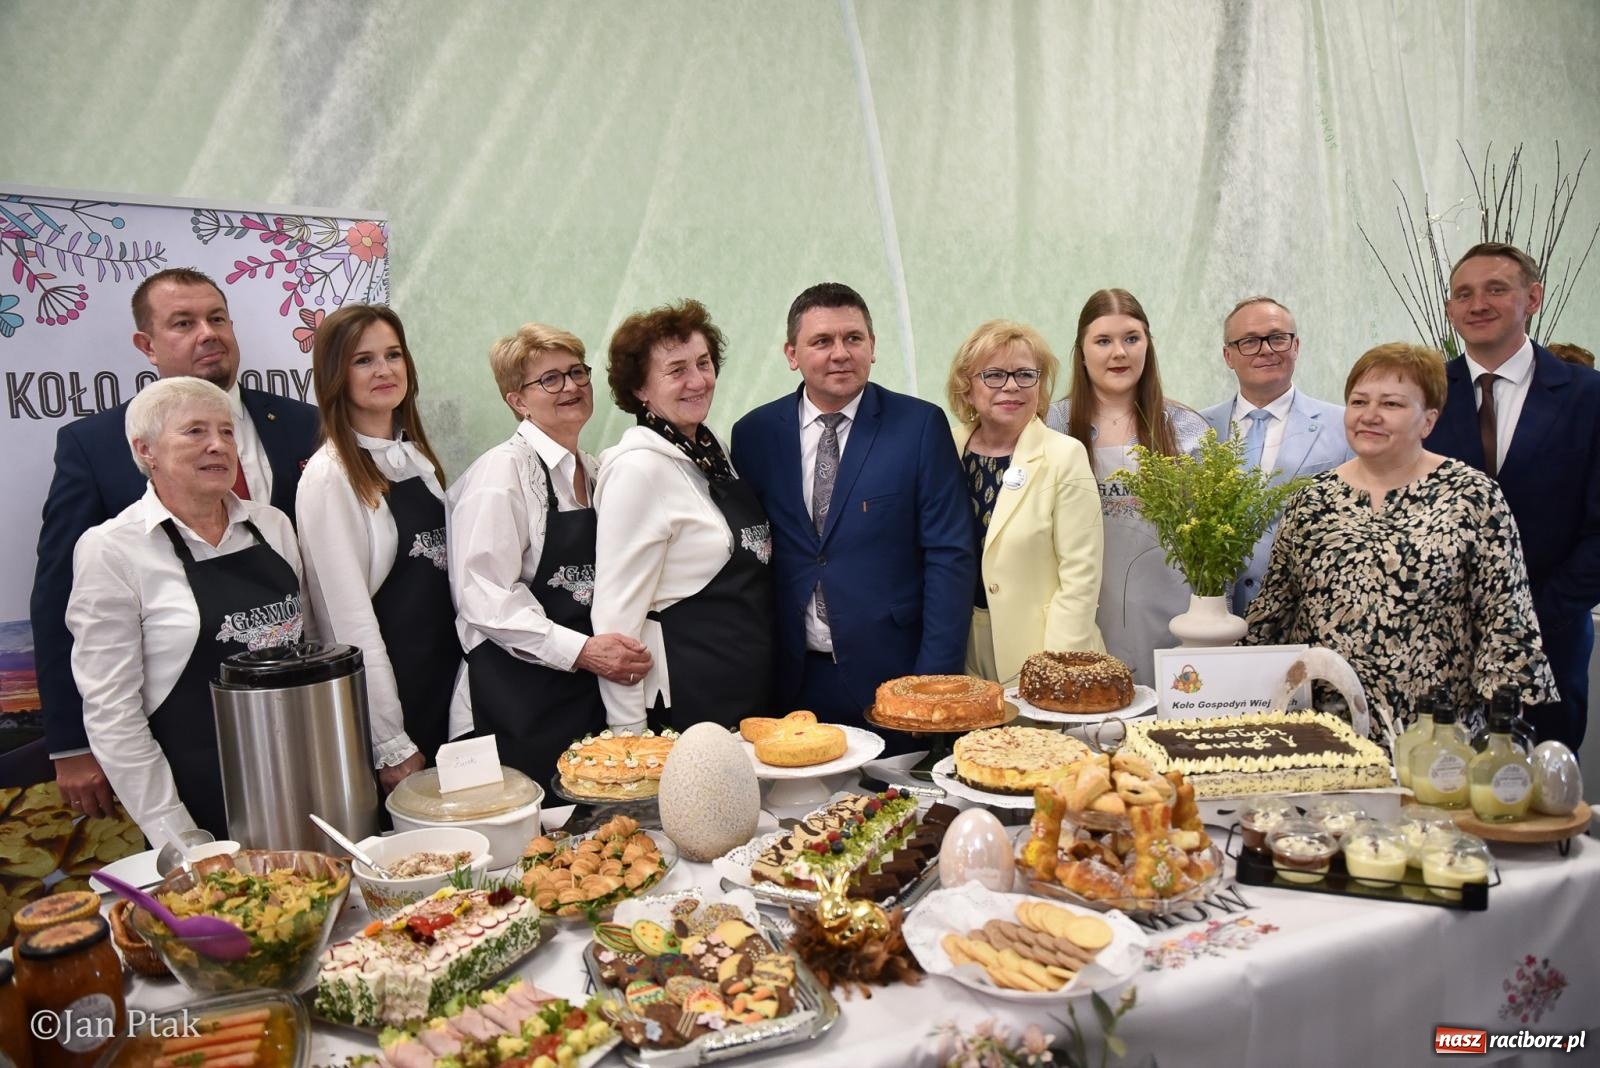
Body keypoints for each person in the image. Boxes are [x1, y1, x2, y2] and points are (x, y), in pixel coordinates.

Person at [32, 267, 318, 820]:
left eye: (217, 318)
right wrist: (70, 742)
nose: (207, 334)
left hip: (294, 739)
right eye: (183, 323)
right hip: (185, 751)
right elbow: (57, 599)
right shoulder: (94, 446)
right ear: (147, 344)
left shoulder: (303, 423)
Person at [1248, 342, 1557, 736]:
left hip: (1437, 733)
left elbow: (1506, 621)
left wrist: (1503, 733)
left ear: (1428, 421)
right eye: (1359, 402)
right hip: (1324, 732)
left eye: (1391, 404)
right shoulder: (1312, 500)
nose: (1370, 416)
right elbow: (1272, 613)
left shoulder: (1473, 497)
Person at [65, 377, 306, 839]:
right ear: (146, 450)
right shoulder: (112, 549)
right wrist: (178, 835)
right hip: (196, 798)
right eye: (196, 431)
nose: (218, 445)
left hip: (299, 774)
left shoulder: (273, 525)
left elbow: (309, 648)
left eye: (227, 431)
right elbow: (112, 711)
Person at [731, 283, 975, 733]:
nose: (840, 353)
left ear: (873, 346)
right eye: (822, 341)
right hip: (788, 681)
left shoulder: (919, 427)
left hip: (895, 677)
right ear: (791, 354)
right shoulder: (754, 435)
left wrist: (933, 682)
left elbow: (950, 555)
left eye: (853, 338)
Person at [448, 324, 649, 780]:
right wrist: (583, 651)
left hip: (580, 698)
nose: (571, 387)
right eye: (550, 379)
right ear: (517, 401)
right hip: (512, 703)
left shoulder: (595, 471)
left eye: (577, 372)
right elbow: (484, 597)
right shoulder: (502, 473)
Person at [1426, 242, 1600, 751]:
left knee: (1540, 786)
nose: (1478, 304)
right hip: (1440, 646)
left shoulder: (1589, 397)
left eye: (1496, 289)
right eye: (1463, 294)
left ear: (1533, 298)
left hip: (1551, 637)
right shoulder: (1423, 394)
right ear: (1450, 309)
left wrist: (1529, 615)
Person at [297, 305, 458, 792]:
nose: (384, 370)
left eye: (393, 355)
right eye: (363, 360)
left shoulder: (416, 459)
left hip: (447, 689)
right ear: (335, 376)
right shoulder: (329, 477)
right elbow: (346, 622)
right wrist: (389, 741)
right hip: (395, 706)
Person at [592, 301, 773, 732]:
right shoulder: (637, 471)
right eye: (676, 370)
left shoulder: (712, 452)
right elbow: (615, 622)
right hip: (687, 701)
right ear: (640, 389)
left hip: (747, 689)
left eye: (703, 363)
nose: (698, 381)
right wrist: (629, 735)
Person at [1045, 289, 1205, 687]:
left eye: (1131, 338)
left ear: (1148, 345)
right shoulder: (1052, 426)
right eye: (1103, 341)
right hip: (1082, 622)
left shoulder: (1186, 428)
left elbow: (1211, 545)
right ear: (1081, 353)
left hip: (1173, 622)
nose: (1119, 352)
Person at [945, 320, 1103, 682]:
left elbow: (1081, 576)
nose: (1012, 386)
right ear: (966, 388)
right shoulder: (945, 447)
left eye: (1025, 374)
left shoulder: (1065, 456)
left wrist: (1060, 665)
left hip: (1043, 649)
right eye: (994, 375)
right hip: (960, 646)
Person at [1199, 297, 1352, 615]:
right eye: (1249, 341)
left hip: (1306, 615)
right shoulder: (1196, 429)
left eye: (1278, 338)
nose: (1266, 350)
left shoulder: (1344, 425)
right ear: (1228, 356)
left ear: (1296, 346)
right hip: (1215, 616)